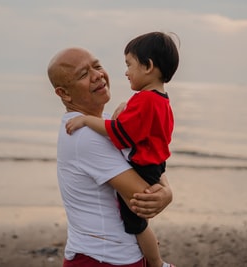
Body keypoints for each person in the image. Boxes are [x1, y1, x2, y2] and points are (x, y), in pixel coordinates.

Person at [47, 47, 174, 267]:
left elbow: (147, 157)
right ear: (64, 93)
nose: (97, 75)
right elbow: (142, 197)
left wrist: (167, 191)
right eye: (83, 74)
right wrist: (164, 193)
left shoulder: (105, 123)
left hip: (114, 253)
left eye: (97, 66)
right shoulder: (84, 135)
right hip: (103, 258)